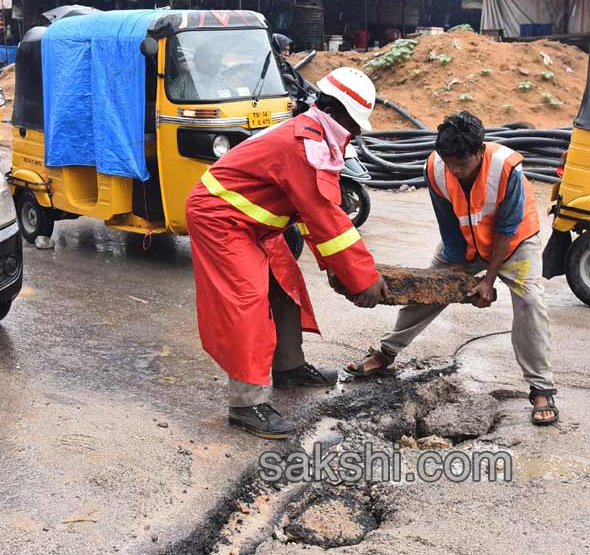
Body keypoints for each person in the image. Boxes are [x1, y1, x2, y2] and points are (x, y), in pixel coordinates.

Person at [186, 67, 390, 439]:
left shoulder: (315, 136)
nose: (357, 131)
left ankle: (289, 367)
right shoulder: (304, 144)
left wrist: (333, 267)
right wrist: (364, 278)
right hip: (221, 217)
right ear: (339, 113)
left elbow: (314, 216)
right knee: (246, 303)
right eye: (356, 123)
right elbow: (327, 217)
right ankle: (245, 405)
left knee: (285, 287)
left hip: (254, 222)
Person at [347, 111, 559, 426]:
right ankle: (385, 353)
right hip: (465, 242)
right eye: (449, 163)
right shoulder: (436, 167)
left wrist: (488, 280)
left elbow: (507, 228)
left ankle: (541, 389)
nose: (455, 171)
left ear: (479, 151)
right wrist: (456, 275)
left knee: (530, 300)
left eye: (461, 164)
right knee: (430, 289)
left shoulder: (505, 169)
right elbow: (448, 224)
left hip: (513, 244)